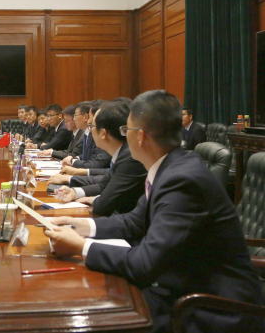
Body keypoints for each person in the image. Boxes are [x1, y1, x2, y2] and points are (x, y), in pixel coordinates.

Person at [44, 90, 264, 332]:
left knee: (96, 313)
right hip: (181, 283)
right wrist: (81, 227)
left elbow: (145, 263)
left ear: (140, 137)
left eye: (126, 132)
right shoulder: (169, 166)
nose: (124, 138)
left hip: (211, 308)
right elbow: (135, 221)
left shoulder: (182, 180)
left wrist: (80, 246)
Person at [53, 101, 147, 216]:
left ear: (103, 133)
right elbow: (103, 185)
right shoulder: (121, 153)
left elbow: (103, 205)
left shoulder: (130, 157)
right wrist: (74, 192)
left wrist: (96, 200)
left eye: (92, 126)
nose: (90, 130)